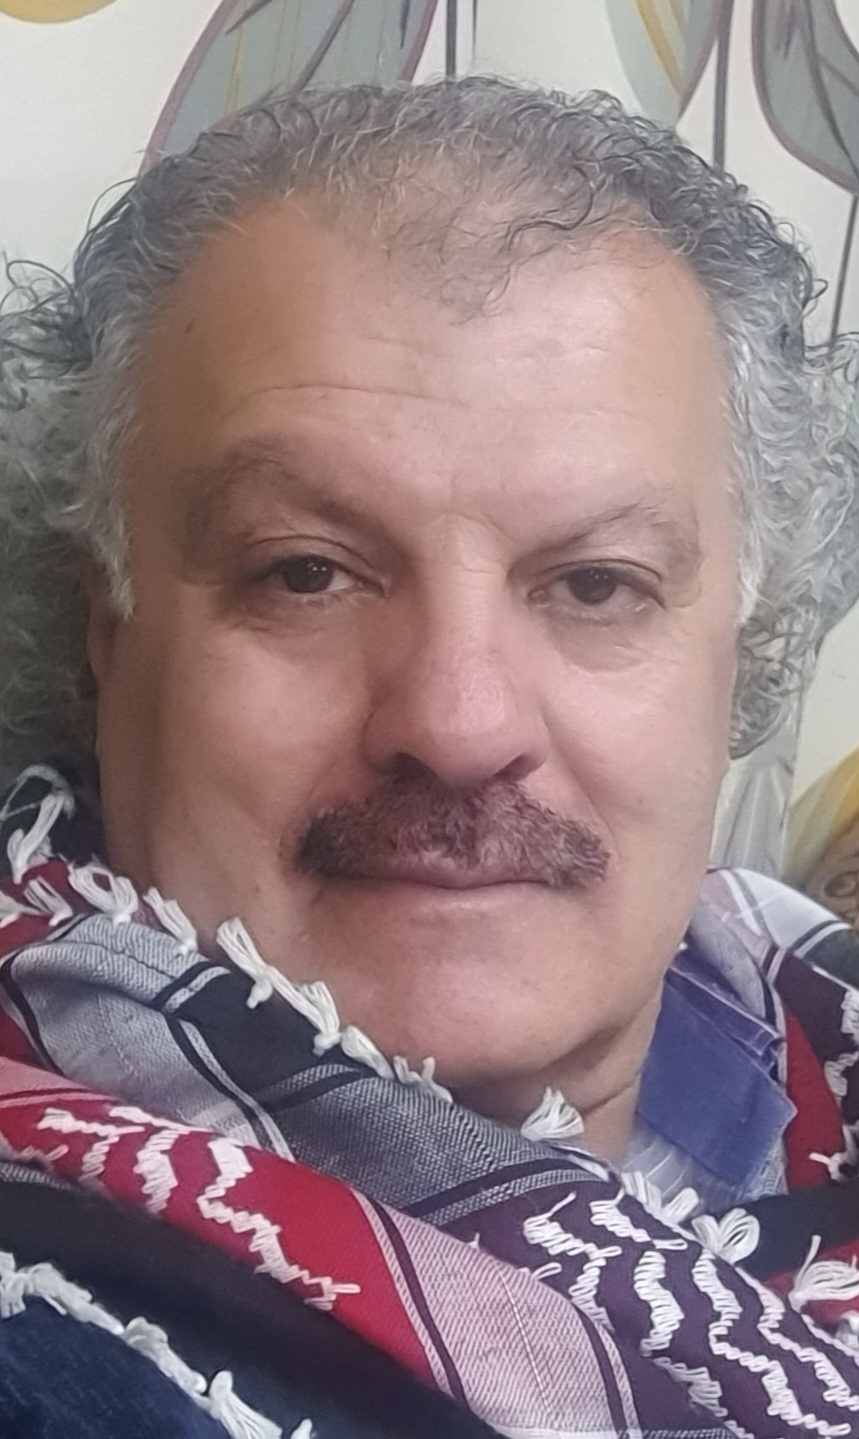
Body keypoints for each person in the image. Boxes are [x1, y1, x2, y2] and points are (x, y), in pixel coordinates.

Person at [1, 75, 859, 1439]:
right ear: (106, 627)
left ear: (738, 655)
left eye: (595, 584)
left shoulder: (822, 1029)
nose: (459, 726)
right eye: (306, 571)